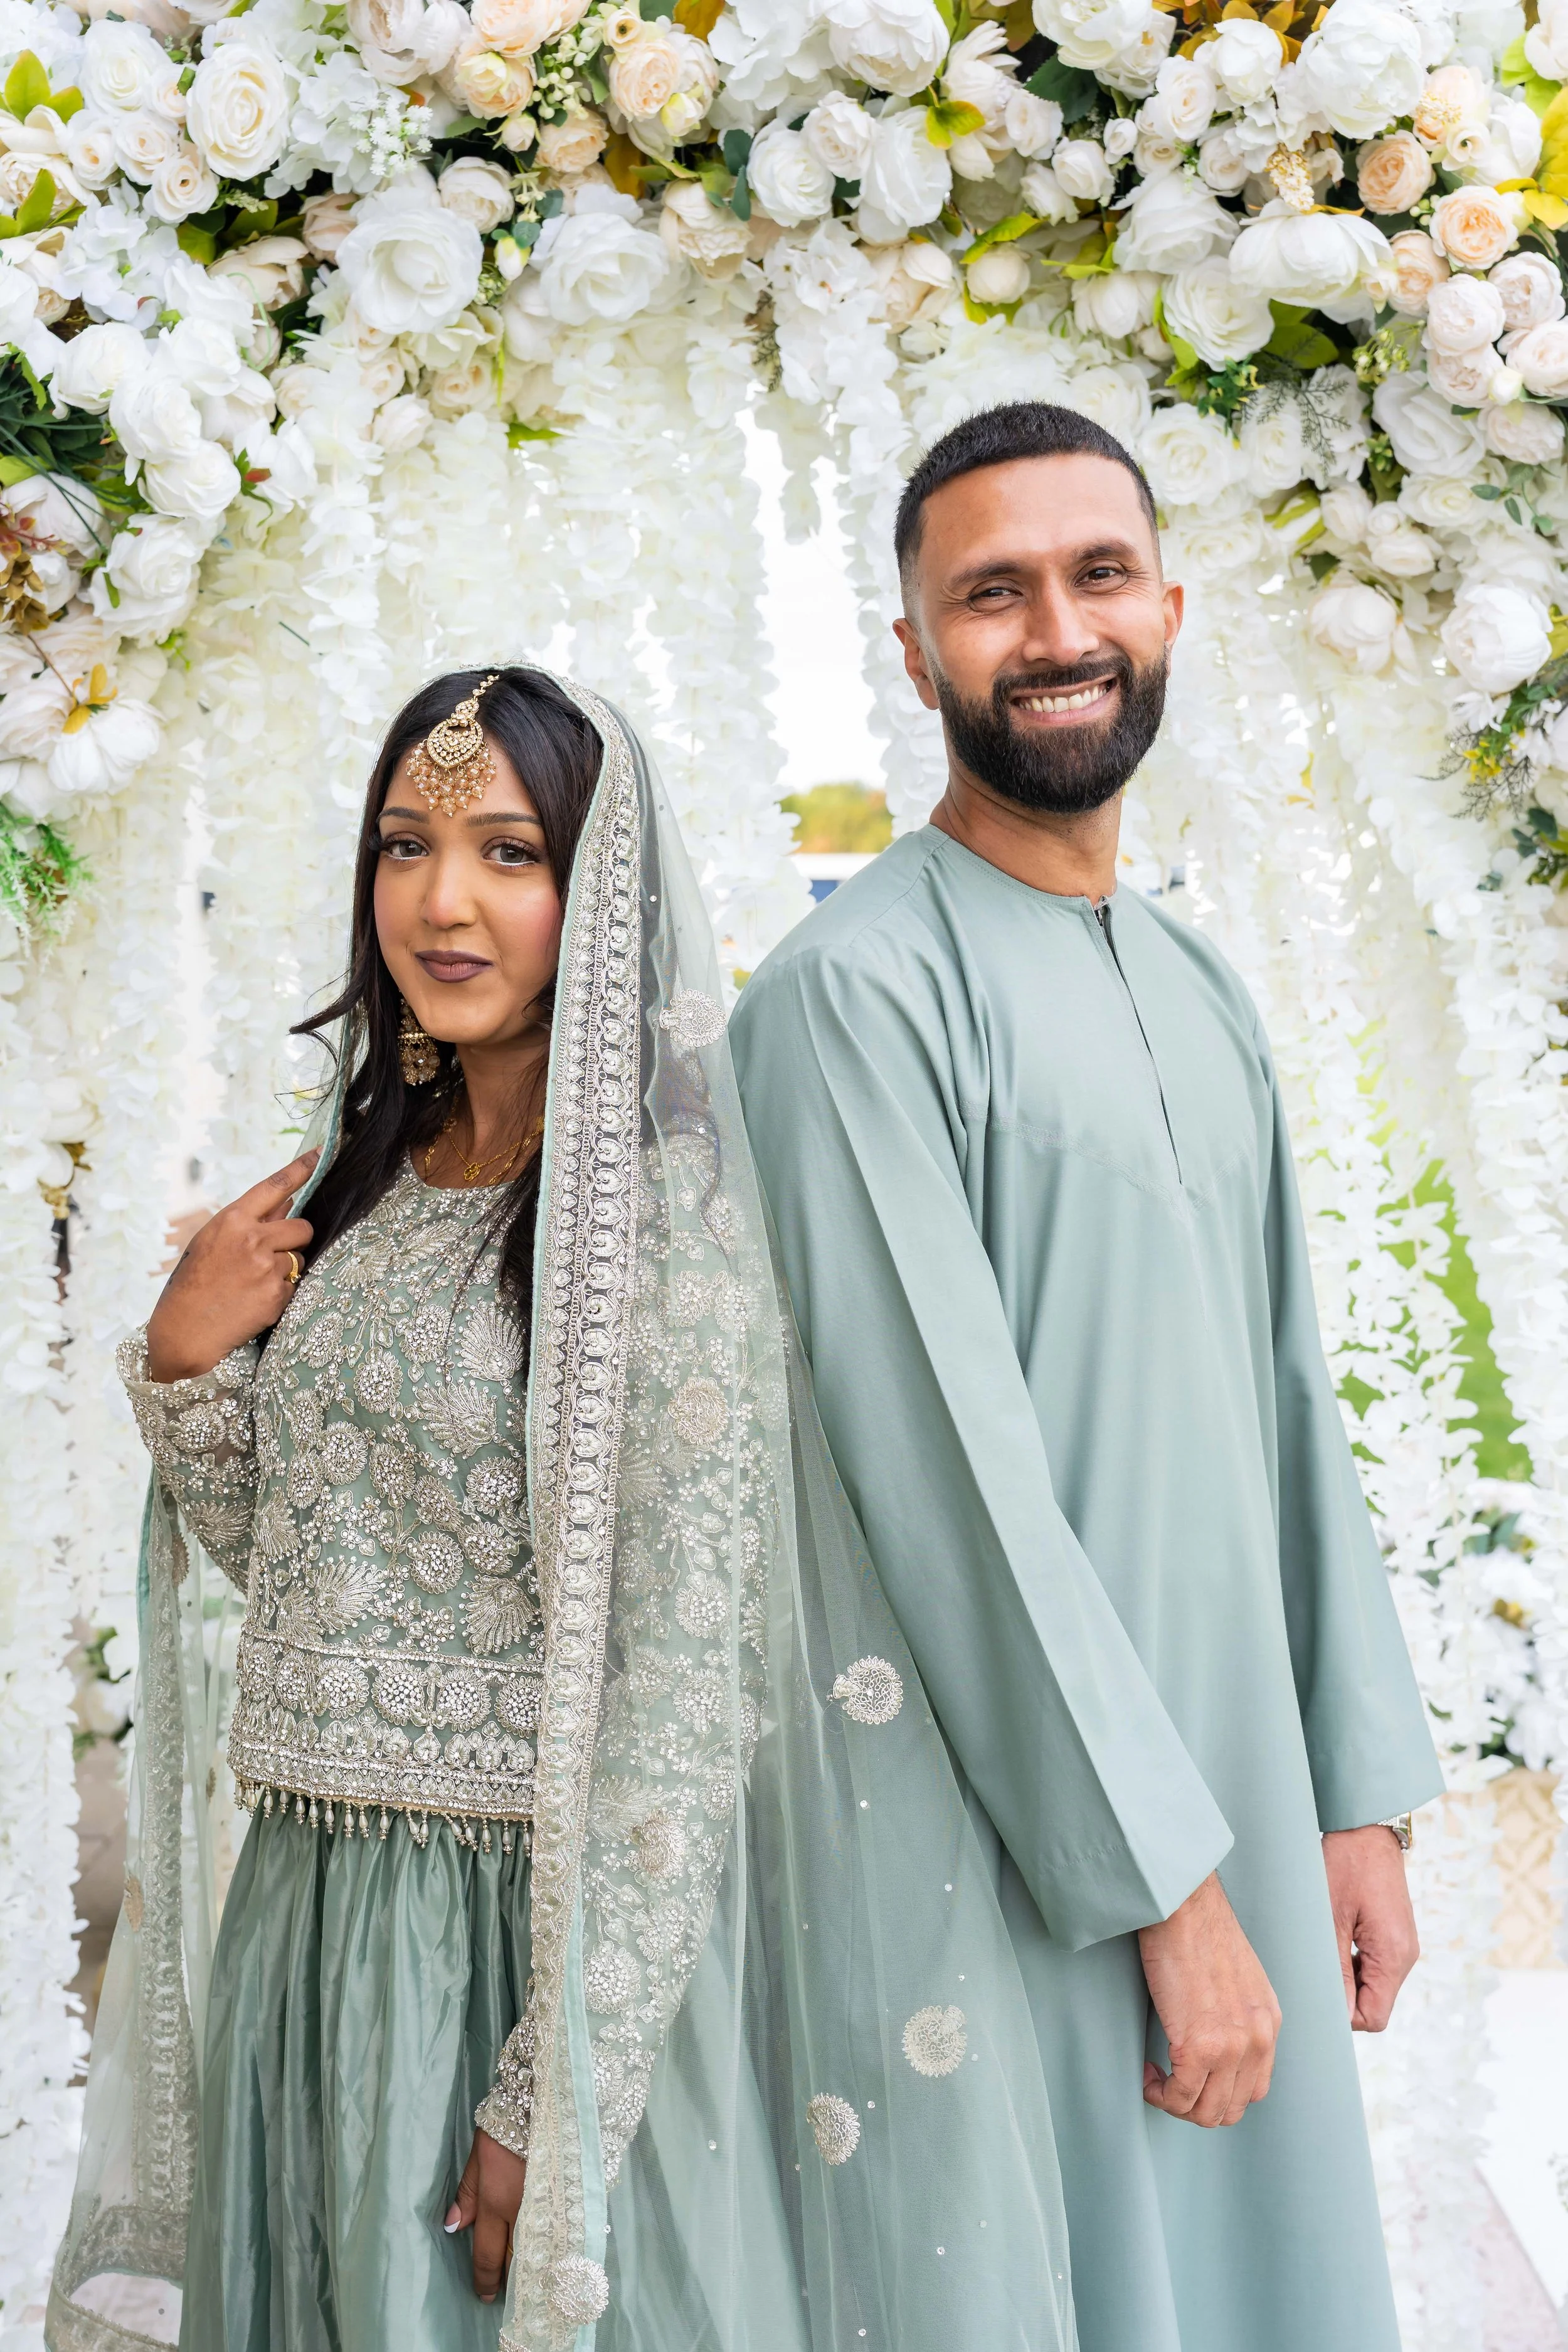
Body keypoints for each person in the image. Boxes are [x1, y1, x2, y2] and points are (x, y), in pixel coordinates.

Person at [49, 665, 1084, 2352]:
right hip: (303, 1919)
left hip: (504, 1942)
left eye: (507, 852)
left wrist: (557, 2078)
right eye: (405, 844)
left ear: (595, 888)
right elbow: (311, 1569)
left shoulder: (655, 1239)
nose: (439, 900)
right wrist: (183, 1362)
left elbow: (682, 1692)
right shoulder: (360, 1185)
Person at [728, 401, 1444, 2352]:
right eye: (990, 591)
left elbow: (1287, 1401)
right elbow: (942, 1482)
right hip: (1023, 1845)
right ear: (913, 651)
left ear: (1167, 604)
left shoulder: (1198, 985)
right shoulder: (849, 999)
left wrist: (1352, 1794)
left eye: (1095, 572)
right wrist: (1163, 1894)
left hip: (1234, 1803)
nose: (1055, 626)